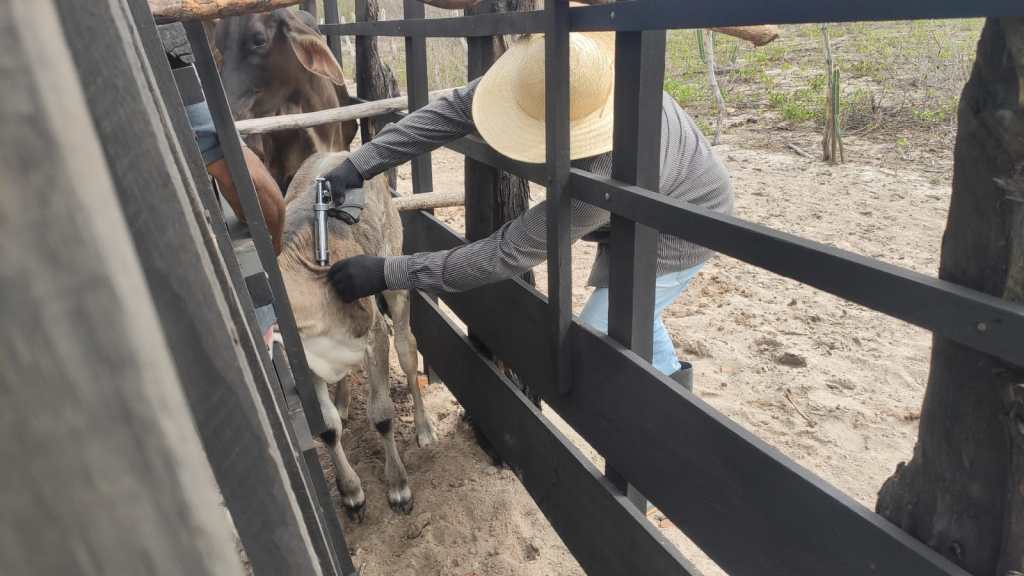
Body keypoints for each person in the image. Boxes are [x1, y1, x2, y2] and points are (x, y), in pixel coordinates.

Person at [324, 30, 734, 387]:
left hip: (683, 221)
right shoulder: (553, 70)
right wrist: (361, 164)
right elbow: (453, 110)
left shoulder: (610, 167)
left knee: (603, 334)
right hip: (643, 197)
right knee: (636, 320)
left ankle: (673, 427)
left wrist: (388, 272)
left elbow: (508, 252)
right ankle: (672, 395)